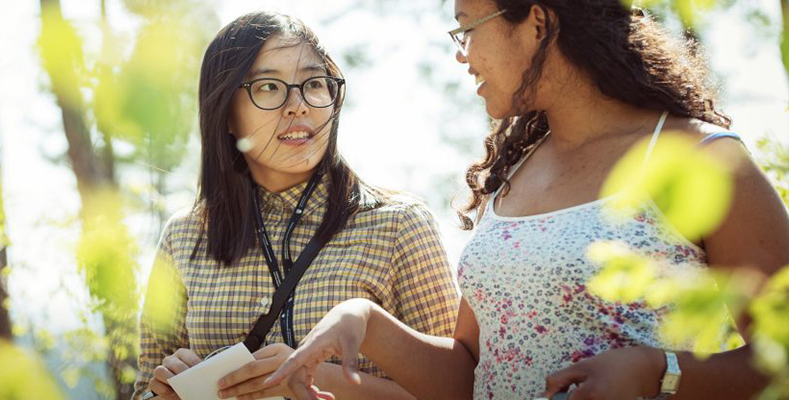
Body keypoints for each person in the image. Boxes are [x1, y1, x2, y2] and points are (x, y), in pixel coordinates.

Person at [263, 0, 789, 399]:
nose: (460, 52)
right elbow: (469, 372)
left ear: (537, 22)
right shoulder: (513, 171)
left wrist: (661, 372)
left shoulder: (699, 157)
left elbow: (781, 358)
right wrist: (365, 320)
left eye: (468, 26)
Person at [131, 11, 460, 400]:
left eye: (314, 84)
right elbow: (142, 390)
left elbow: (458, 389)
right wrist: (165, 393)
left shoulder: (398, 225)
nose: (298, 104)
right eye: (269, 87)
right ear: (226, 113)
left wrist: (317, 379)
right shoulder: (184, 236)